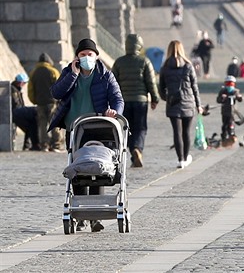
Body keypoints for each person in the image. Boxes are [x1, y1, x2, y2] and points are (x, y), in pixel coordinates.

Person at [49, 38, 124, 233]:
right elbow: (56, 93)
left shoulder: (105, 75)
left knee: (98, 169)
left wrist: (114, 111)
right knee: (78, 170)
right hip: (74, 128)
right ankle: (80, 214)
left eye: (90, 55)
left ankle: (95, 216)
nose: (86, 58)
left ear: (96, 56)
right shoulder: (68, 72)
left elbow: (117, 98)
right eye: (82, 55)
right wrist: (73, 75)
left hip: (98, 127)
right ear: (77, 58)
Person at [112, 34, 160, 168]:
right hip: (140, 101)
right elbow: (151, 82)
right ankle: (138, 149)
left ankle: (133, 153)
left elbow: (113, 83)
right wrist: (155, 98)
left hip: (124, 101)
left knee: (127, 128)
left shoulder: (119, 62)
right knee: (141, 128)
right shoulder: (144, 61)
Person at [158, 40, 204, 169]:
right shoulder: (188, 66)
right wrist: (198, 105)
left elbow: (161, 88)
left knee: (176, 132)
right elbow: (194, 87)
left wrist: (167, 98)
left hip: (173, 104)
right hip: (188, 103)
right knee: (186, 132)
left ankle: (180, 160)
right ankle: (186, 156)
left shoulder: (165, 67)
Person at [28, 53, 64, 152]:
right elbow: (60, 86)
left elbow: (30, 89)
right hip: (52, 102)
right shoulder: (53, 71)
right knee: (55, 123)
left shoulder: (34, 72)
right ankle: (56, 144)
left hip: (40, 103)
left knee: (42, 125)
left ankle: (44, 145)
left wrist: (34, 100)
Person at [11, 73, 40, 151]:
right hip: (15, 114)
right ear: (21, 82)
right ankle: (33, 145)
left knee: (31, 124)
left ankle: (30, 145)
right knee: (32, 121)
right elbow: (16, 105)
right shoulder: (13, 90)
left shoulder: (16, 89)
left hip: (16, 113)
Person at [216, 76, 244, 147]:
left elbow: (240, 98)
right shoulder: (222, 91)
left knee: (231, 125)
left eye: (231, 84)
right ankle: (224, 139)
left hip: (232, 113)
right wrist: (222, 98)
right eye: (228, 84)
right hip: (225, 112)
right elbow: (218, 100)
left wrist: (239, 97)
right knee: (224, 126)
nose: (229, 86)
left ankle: (232, 138)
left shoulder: (235, 91)